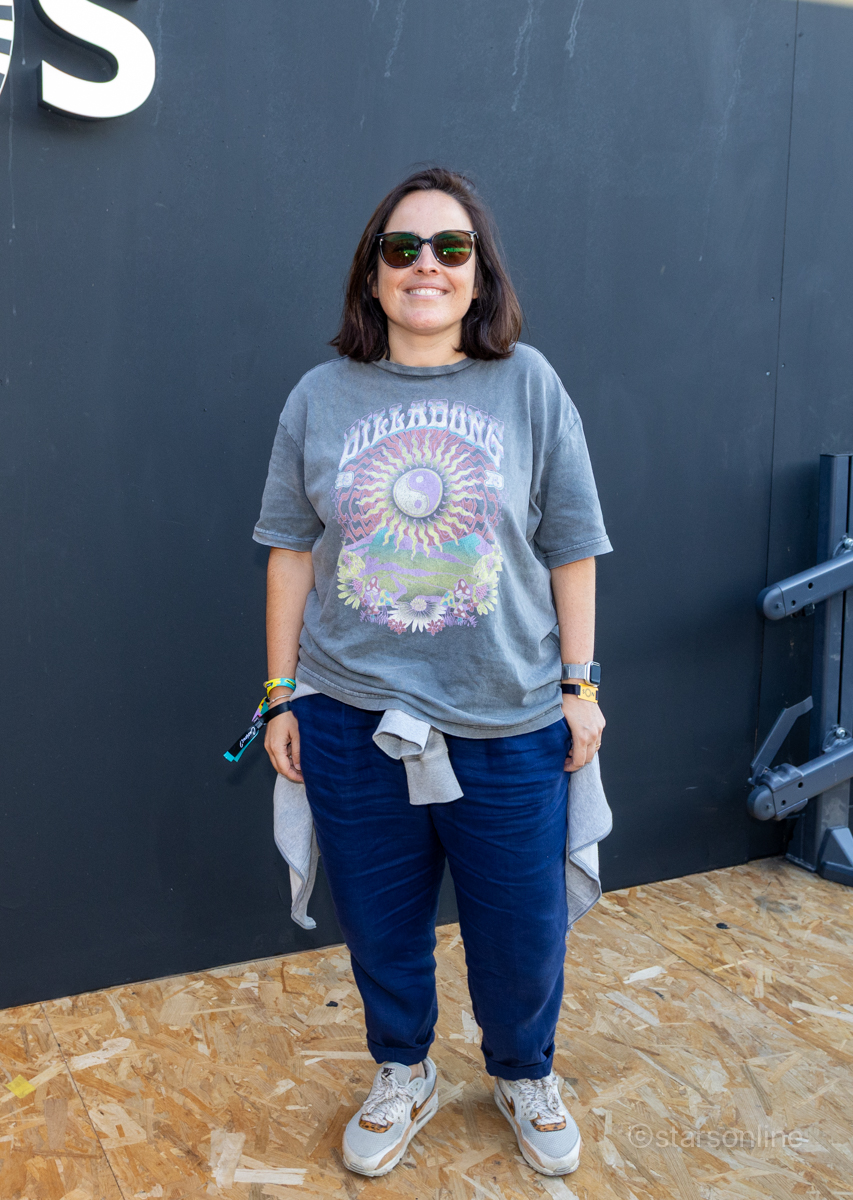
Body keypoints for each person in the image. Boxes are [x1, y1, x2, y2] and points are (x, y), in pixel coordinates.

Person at [253, 166, 612, 1179]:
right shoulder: (320, 396)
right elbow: (288, 551)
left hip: (507, 718)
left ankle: (522, 1070)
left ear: (479, 273)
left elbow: (572, 546)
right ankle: (401, 1070)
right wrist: (279, 695)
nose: (426, 265)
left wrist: (579, 687)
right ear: (371, 274)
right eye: (401, 248)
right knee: (380, 925)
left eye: (450, 248)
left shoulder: (528, 384)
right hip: (351, 716)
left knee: (521, 933)